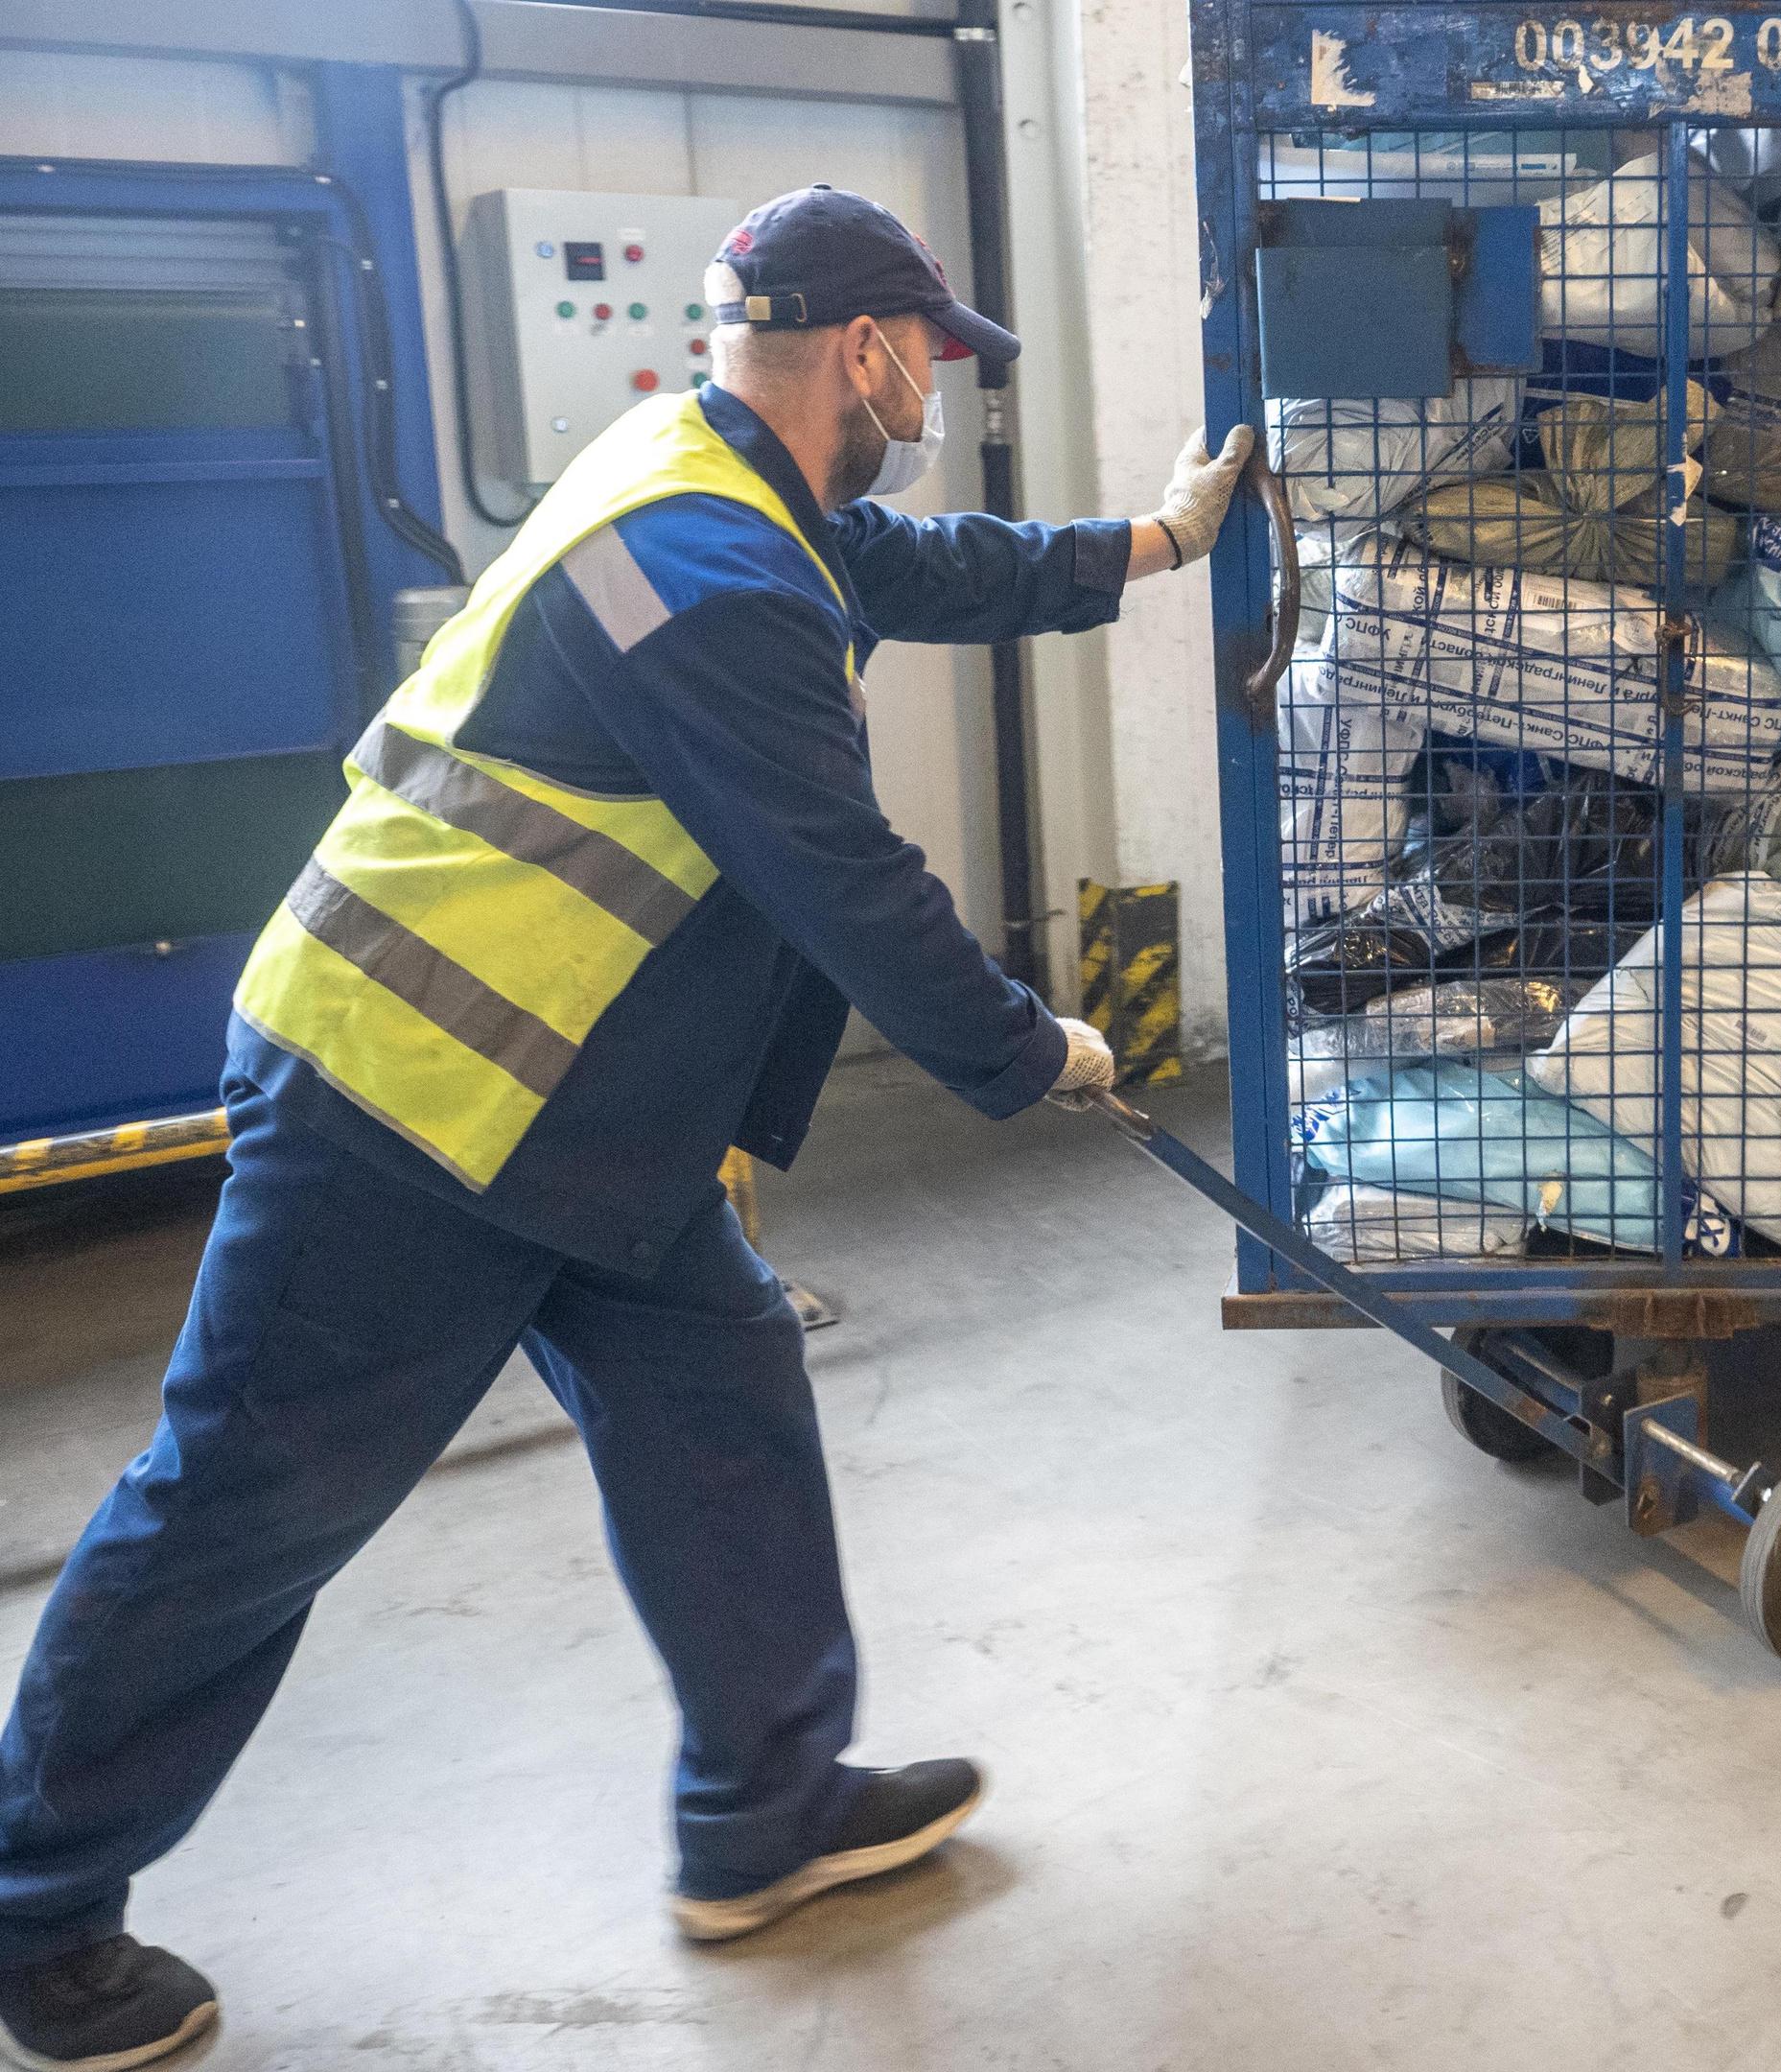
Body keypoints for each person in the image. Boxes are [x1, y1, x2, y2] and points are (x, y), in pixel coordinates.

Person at [0, 186, 1253, 2069]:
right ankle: (32, 1906)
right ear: (863, 352)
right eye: (929, 356)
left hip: (585, 1115)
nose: (936, 391)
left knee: (719, 1409)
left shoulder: (713, 484)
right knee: (251, 1500)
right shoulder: (713, 576)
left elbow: (906, 566)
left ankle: (768, 1809)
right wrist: (1034, 1048)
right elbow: (841, 872)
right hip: (410, 1100)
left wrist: (1153, 542)